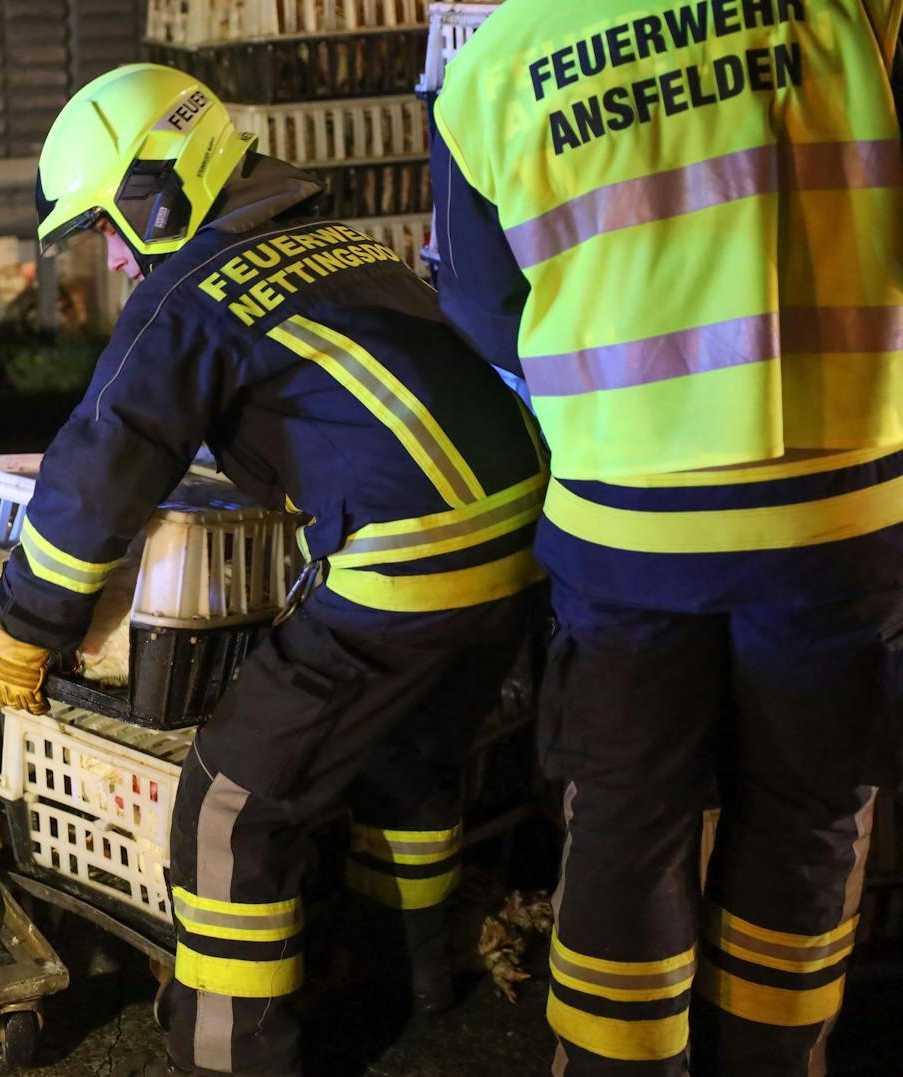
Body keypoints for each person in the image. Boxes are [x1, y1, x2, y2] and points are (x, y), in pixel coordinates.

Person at [0, 62, 548, 1076]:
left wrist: (25, 629)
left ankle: (228, 1057)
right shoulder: (332, 242)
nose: (109, 255)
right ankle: (407, 987)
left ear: (158, 188)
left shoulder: (188, 295)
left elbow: (95, 474)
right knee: (405, 765)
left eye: (107, 223)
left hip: (407, 568)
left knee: (229, 805)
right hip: (520, 542)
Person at [431, 3, 903, 1074]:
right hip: (832, 513)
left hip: (625, 519)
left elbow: (474, 296)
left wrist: (603, 369)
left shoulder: (492, 68)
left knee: (624, 818)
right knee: (806, 817)